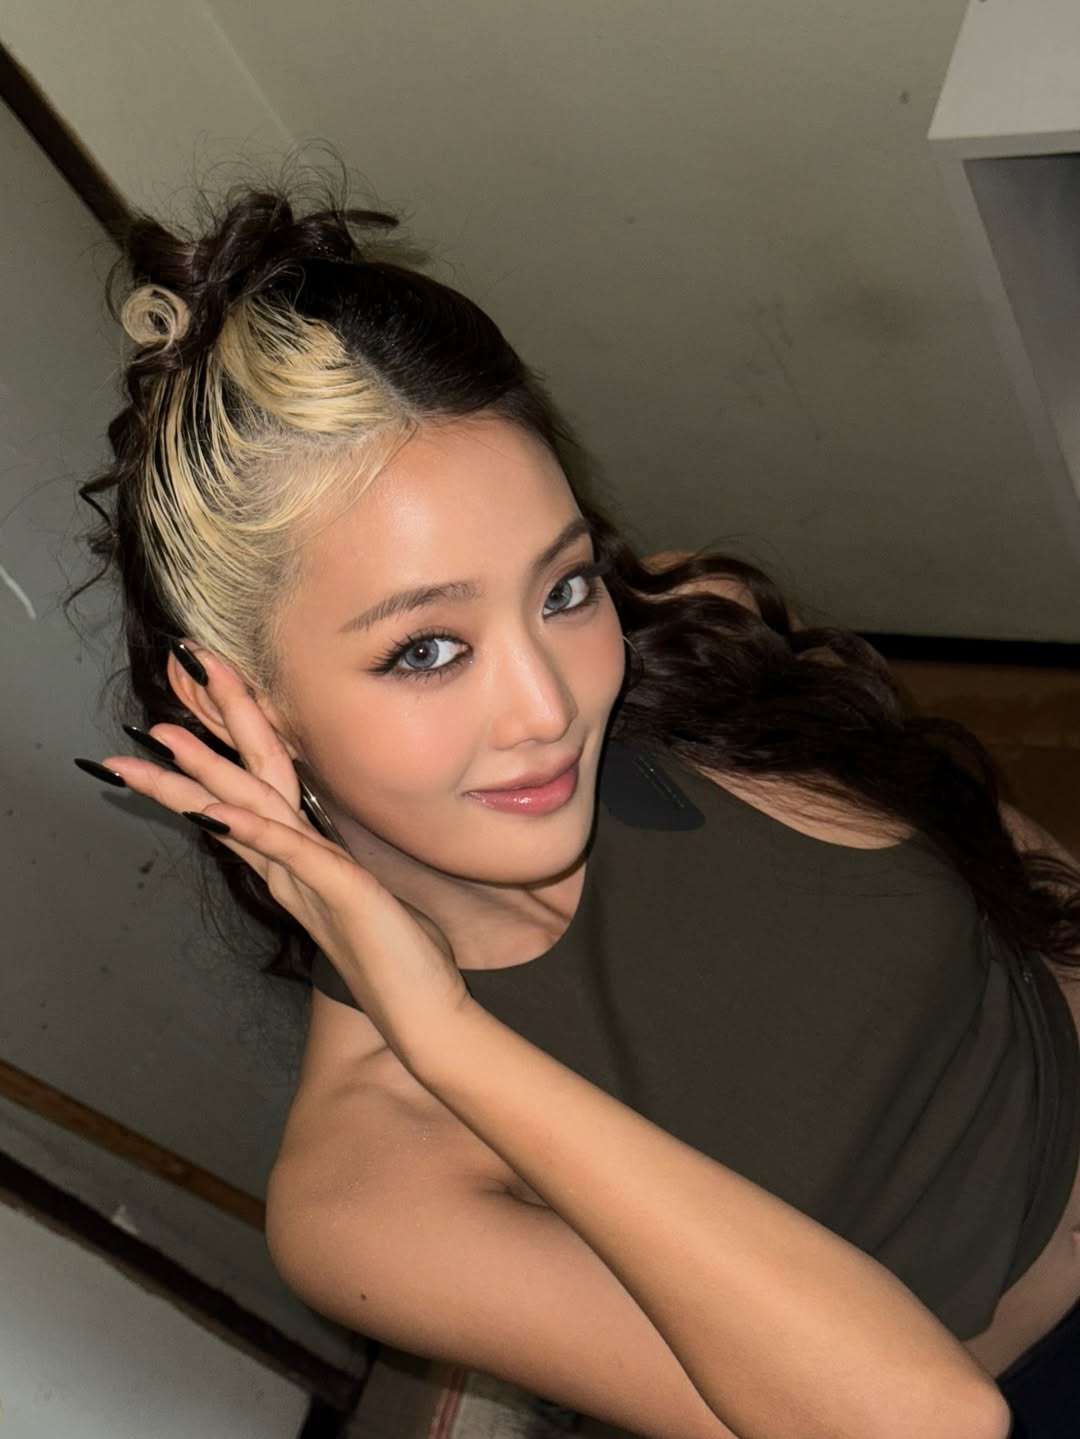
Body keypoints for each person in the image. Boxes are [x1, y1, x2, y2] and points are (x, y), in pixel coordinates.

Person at [71, 183, 1080, 1439]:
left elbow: (1014, 886)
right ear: (238, 705)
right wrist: (453, 1040)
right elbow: (927, 1420)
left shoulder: (697, 644)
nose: (550, 705)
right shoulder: (362, 1195)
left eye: (560, 588)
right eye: (427, 649)